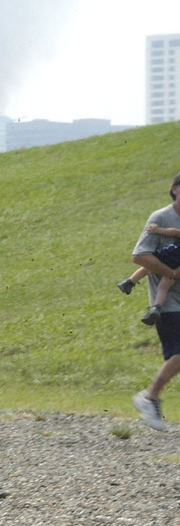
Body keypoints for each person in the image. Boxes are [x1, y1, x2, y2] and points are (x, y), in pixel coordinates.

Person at [132, 173, 180, 431]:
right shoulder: (160, 218)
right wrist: (172, 273)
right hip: (170, 301)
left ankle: (150, 398)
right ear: (175, 190)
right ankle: (149, 398)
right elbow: (139, 257)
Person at [117, 222, 180, 325]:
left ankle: (129, 282)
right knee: (163, 288)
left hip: (166, 255)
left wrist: (157, 229)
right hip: (176, 265)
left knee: (146, 269)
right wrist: (175, 272)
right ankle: (155, 308)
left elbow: (174, 232)